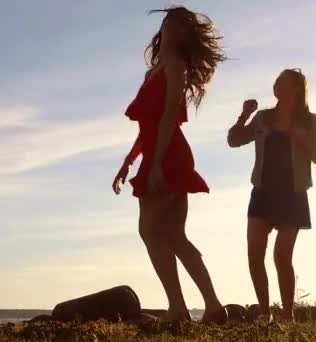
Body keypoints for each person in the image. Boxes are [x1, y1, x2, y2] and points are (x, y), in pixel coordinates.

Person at [112, 6, 227, 324]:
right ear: (162, 28)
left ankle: (179, 307)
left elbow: (167, 117)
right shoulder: (154, 72)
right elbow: (146, 126)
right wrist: (128, 162)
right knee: (174, 235)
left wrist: (158, 164)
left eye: (182, 27)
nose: (174, 30)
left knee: (149, 230)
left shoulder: (175, 66)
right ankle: (213, 307)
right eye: (170, 23)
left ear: (186, 36)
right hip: (158, 152)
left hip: (169, 153)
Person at [228, 69, 316, 322]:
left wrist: (303, 140)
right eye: (275, 82)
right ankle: (265, 313)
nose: (275, 86)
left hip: (293, 195)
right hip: (262, 193)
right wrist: (244, 116)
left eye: (281, 82)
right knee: (254, 254)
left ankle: (287, 315)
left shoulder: (312, 121)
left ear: (296, 89)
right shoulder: (263, 118)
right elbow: (234, 140)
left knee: (282, 256)